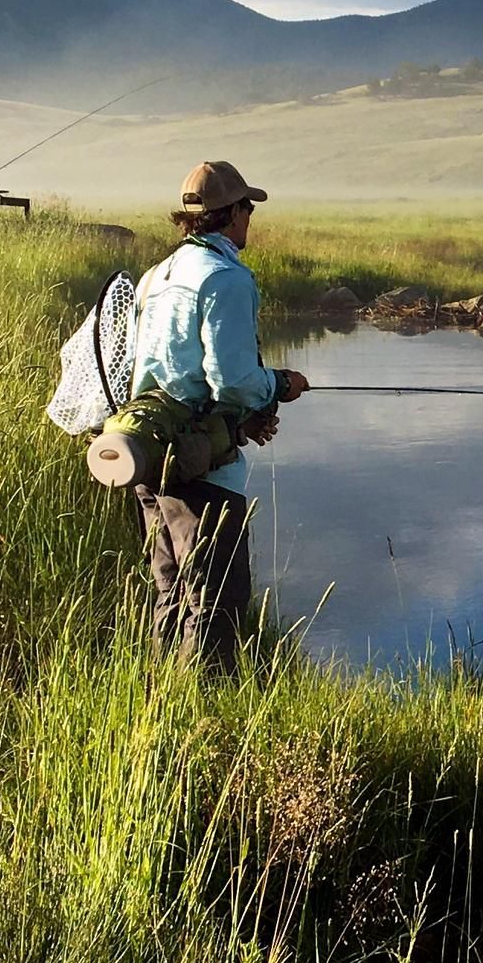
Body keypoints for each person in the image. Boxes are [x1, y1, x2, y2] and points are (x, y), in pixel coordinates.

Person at [127, 159, 307, 669]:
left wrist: (240, 422)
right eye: (247, 207)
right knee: (214, 604)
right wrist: (281, 384)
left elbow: (168, 374)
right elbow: (231, 379)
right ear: (231, 214)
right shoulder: (225, 277)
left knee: (170, 592)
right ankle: (205, 719)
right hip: (204, 471)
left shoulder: (155, 276)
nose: (250, 217)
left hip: (153, 457)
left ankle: (164, 703)